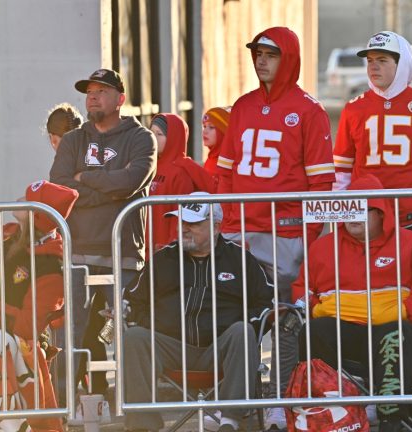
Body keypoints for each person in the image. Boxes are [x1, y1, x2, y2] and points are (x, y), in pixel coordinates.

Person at [215, 27, 335, 429]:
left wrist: (310, 235)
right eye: (258, 53)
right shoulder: (243, 106)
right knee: (233, 319)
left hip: (285, 235)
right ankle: (235, 405)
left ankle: (281, 403)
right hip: (240, 233)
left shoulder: (309, 110)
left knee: (284, 322)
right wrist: (229, 221)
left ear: (289, 58)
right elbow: (225, 172)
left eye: (271, 54)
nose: (262, 60)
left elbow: (321, 183)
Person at [292, 174, 412, 432]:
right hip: (344, 330)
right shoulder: (322, 248)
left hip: (393, 330)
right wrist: (320, 309)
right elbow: (301, 292)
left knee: (395, 334)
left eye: (362, 209)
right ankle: (328, 416)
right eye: (349, 208)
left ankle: (391, 420)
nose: (353, 216)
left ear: (381, 213)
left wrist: (387, 312)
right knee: (314, 331)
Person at [122, 193, 274, 432]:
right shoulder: (163, 259)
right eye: (181, 222)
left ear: (215, 226)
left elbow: (267, 301)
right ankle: (142, 424)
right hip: (171, 348)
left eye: (192, 223)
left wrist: (249, 324)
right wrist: (150, 322)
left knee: (242, 332)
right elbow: (132, 300)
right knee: (134, 337)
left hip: (221, 349)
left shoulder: (239, 259)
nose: (183, 229)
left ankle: (230, 421)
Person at [49, 68, 157, 400]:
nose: (93, 96)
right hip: (78, 254)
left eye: (102, 91)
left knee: (120, 332)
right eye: (89, 92)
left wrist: (85, 180)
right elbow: (60, 186)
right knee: (71, 335)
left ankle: (133, 407)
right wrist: (109, 189)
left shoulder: (140, 138)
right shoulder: (73, 140)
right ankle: (66, 407)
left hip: (122, 254)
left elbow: (132, 181)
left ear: (120, 99)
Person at [333, 31, 412, 249]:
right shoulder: (354, 108)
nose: (373, 67)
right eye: (370, 61)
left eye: (382, 60)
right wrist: (341, 217)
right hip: (367, 220)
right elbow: (342, 171)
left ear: (401, 64)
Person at [1, 180, 78, 432]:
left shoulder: (51, 268)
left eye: (27, 199)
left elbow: (27, 326)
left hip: (19, 345)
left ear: (37, 216)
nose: (19, 200)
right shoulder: (10, 241)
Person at [148, 113, 215, 251]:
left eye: (159, 134)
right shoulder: (149, 165)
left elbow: (181, 217)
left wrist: (171, 246)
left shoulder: (181, 172)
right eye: (151, 132)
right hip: (146, 246)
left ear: (174, 138)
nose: (153, 138)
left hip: (165, 249)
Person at [201, 106, 231, 184]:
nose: (205, 131)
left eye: (211, 127)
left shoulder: (228, 162)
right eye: (204, 126)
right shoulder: (211, 158)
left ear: (224, 132)